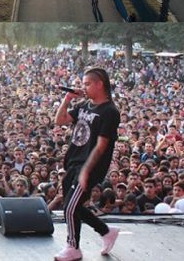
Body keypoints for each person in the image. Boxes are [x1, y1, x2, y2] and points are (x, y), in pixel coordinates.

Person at [53, 67, 121, 261]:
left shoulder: (110, 111)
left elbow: (101, 146)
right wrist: (67, 100)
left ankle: (73, 247)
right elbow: (60, 120)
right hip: (74, 162)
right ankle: (106, 231)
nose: (83, 87)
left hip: (91, 166)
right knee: (71, 206)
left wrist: (86, 171)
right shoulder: (84, 105)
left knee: (71, 207)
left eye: (87, 84)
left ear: (99, 84)